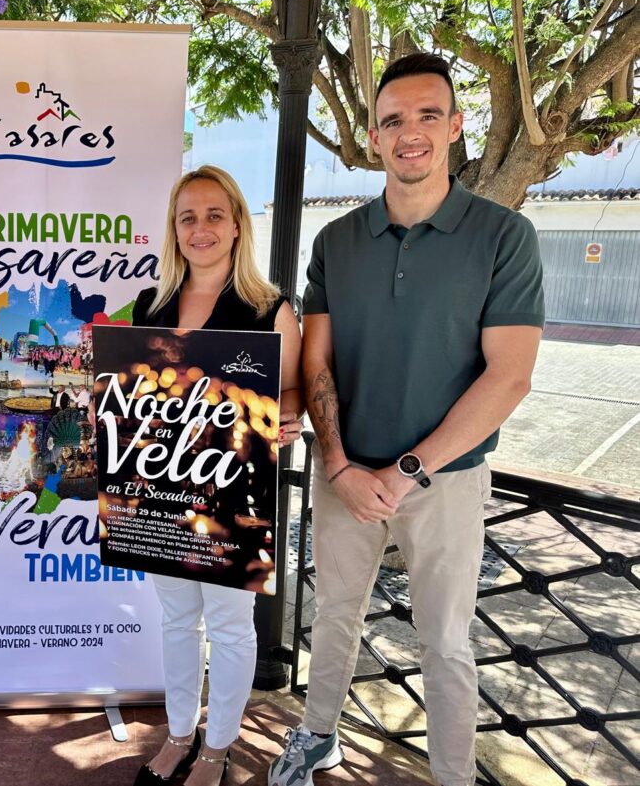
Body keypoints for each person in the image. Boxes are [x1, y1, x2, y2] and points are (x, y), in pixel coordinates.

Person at [269, 53, 543, 786]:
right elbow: (317, 363)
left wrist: (406, 471)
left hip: (446, 480)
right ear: (374, 136)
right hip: (345, 475)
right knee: (333, 614)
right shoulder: (336, 242)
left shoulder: (504, 236)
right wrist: (337, 464)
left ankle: (453, 774)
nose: (409, 132)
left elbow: (509, 375)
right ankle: (316, 735)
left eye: (428, 115)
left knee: (445, 642)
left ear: (455, 126)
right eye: (393, 120)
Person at [131, 165, 303, 786]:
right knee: (176, 619)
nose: (199, 228)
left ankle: (217, 747)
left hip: (236, 493)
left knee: (229, 626)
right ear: (174, 230)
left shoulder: (270, 308)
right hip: (164, 486)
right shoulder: (150, 305)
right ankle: (180, 734)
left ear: (235, 226)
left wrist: (289, 417)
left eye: (213, 215)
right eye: (187, 217)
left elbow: (292, 390)